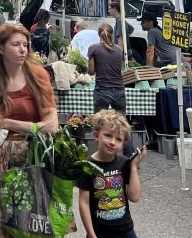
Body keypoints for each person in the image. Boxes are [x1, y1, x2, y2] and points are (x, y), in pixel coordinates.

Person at [0, 23, 58, 238]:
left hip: (33, 157)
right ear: (0, 48)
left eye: (25, 44)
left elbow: (51, 126)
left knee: (34, 226)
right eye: (16, 44)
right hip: (1, 158)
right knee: (5, 225)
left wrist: (6, 123)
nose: (23, 49)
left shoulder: (38, 75)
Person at [76, 110, 146, 238]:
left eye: (118, 139)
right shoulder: (86, 166)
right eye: (108, 135)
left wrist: (134, 166)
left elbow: (134, 197)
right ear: (96, 135)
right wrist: (91, 233)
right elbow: (83, 203)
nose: (112, 142)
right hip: (99, 232)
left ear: (123, 145)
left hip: (125, 230)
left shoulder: (124, 163)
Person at [89, 22, 127, 114]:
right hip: (119, 90)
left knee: (100, 120)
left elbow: (91, 71)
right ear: (112, 34)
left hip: (102, 89)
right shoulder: (119, 49)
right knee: (120, 120)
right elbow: (120, 68)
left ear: (99, 34)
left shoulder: (93, 48)